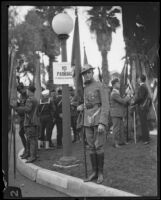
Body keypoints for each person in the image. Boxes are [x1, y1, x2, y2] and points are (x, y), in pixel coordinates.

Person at [77, 64, 109, 184]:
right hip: (87, 121)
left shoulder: (100, 85)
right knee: (91, 147)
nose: (86, 75)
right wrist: (83, 106)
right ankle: (94, 172)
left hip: (98, 121)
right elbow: (90, 103)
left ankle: (100, 173)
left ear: (92, 72)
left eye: (88, 72)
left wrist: (102, 122)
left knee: (99, 146)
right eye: (84, 73)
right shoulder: (85, 88)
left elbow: (105, 104)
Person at [13, 85, 39, 163]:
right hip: (33, 121)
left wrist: (17, 108)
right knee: (32, 139)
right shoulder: (34, 99)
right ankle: (32, 155)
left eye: (27, 90)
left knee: (31, 139)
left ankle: (32, 156)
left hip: (30, 122)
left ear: (29, 91)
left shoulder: (30, 99)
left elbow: (27, 109)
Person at [131, 74, 151, 144]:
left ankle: (146, 140)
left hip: (142, 107)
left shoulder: (142, 87)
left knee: (144, 123)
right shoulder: (144, 86)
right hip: (144, 107)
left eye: (138, 78)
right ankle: (146, 138)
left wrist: (134, 102)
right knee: (144, 123)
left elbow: (141, 97)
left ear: (140, 79)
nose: (137, 79)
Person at [110, 78, 130, 148]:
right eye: (118, 83)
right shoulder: (114, 93)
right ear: (114, 84)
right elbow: (122, 101)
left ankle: (122, 141)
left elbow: (121, 100)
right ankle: (115, 143)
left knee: (121, 128)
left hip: (118, 113)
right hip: (116, 113)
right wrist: (128, 96)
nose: (119, 84)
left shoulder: (116, 93)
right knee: (116, 129)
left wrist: (126, 95)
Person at [16, 83, 28, 157]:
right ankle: (26, 149)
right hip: (21, 118)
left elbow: (26, 109)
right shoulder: (21, 95)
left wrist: (17, 108)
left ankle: (28, 151)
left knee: (26, 134)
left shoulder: (25, 95)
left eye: (19, 89)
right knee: (21, 133)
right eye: (18, 90)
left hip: (26, 118)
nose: (19, 91)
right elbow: (21, 105)